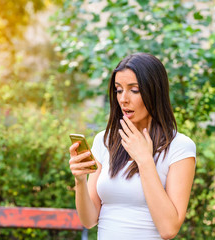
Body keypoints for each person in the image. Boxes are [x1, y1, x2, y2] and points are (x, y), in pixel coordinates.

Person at [68, 53, 196, 240]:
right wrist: (80, 181)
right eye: (119, 90)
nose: (123, 99)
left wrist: (144, 160)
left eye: (134, 90)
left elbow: (169, 229)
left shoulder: (180, 147)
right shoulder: (104, 141)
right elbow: (89, 220)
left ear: (154, 92)